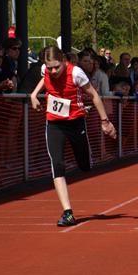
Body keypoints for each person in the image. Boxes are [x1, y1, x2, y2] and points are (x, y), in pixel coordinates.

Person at [30, 46, 117, 227]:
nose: (53, 71)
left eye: (56, 67)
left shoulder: (76, 73)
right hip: (54, 123)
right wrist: (34, 94)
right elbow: (44, 79)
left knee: (84, 165)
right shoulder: (45, 70)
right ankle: (68, 212)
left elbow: (93, 95)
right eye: (50, 68)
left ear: (63, 61)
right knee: (57, 164)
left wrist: (105, 121)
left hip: (75, 122)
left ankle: (86, 159)